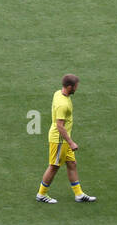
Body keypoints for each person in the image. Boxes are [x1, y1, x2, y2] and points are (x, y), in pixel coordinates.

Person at [35, 74, 97, 203]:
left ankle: (78, 194)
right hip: (59, 140)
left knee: (72, 164)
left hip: (63, 139)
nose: (77, 88)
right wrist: (71, 142)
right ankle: (41, 194)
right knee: (54, 166)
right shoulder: (62, 105)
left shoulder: (58, 93)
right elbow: (59, 126)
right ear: (69, 87)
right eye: (76, 86)